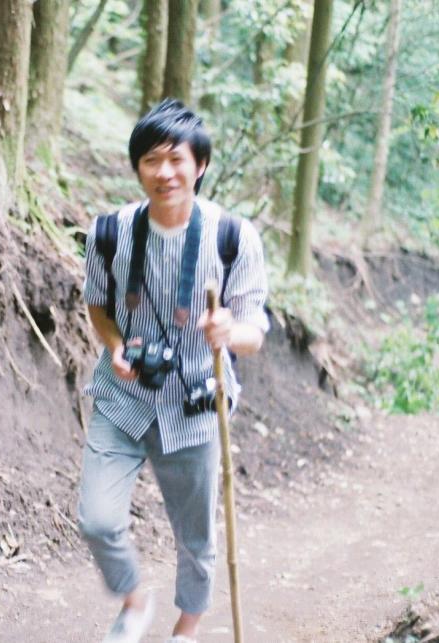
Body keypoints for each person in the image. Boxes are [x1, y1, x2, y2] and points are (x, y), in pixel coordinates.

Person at [77, 99, 269, 643]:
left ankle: (186, 629)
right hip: (124, 396)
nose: (165, 172)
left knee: (195, 537)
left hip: (196, 404)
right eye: (151, 160)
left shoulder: (233, 238)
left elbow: (256, 331)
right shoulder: (109, 232)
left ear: (200, 165)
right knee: (97, 518)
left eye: (176, 159)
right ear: (137, 167)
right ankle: (135, 600)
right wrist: (114, 343)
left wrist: (229, 333)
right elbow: (98, 305)